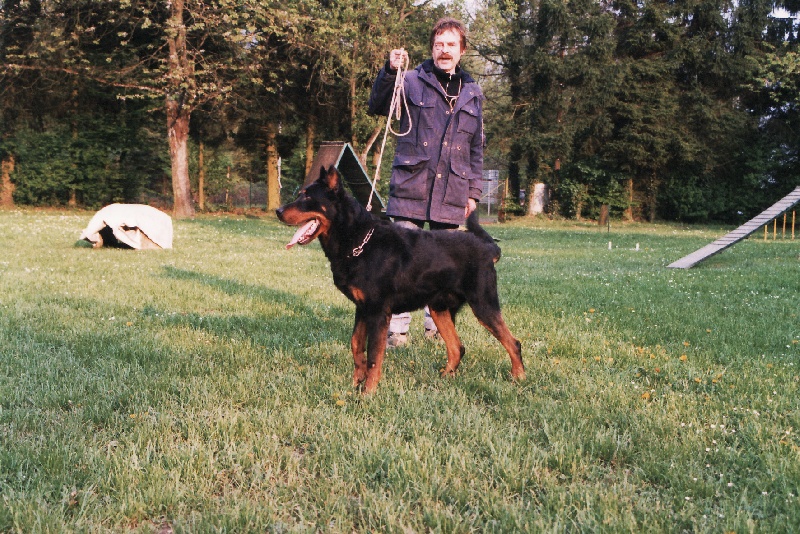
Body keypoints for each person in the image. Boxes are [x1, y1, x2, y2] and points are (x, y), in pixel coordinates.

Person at [368, 17, 485, 347]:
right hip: (411, 186)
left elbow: (476, 147)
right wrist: (390, 71)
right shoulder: (410, 81)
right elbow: (377, 105)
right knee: (400, 263)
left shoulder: (473, 93)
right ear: (431, 49)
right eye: (438, 45)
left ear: (461, 50)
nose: (443, 51)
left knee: (443, 265)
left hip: (453, 191)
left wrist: (473, 192)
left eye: (450, 45)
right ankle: (396, 331)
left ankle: (437, 327)